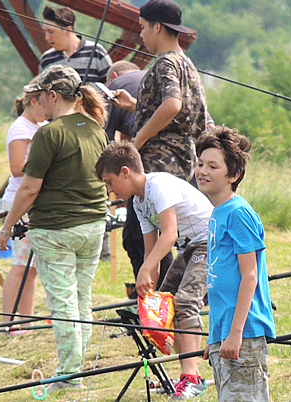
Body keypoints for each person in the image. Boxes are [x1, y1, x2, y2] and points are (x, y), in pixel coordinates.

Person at [0, 65, 108, 393]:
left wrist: (6, 227)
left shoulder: (48, 133)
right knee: (82, 297)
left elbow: (29, 188)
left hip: (56, 229)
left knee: (63, 302)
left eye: (40, 96)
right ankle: (77, 366)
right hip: (94, 225)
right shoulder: (95, 127)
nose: (37, 102)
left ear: (53, 96)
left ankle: (70, 375)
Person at [95, 141, 212, 399]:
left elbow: (169, 234)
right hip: (188, 249)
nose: (109, 190)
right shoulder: (138, 202)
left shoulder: (158, 185)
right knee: (165, 303)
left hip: (210, 243)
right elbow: (152, 252)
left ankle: (191, 377)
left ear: (125, 172)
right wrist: (150, 291)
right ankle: (190, 374)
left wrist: (144, 271)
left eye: (110, 182)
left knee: (184, 302)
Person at [196, 126, 276, 402]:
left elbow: (249, 276)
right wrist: (215, 338)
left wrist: (235, 334)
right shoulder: (218, 212)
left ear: (234, 175)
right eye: (200, 163)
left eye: (213, 166)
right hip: (226, 334)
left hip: (244, 334)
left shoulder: (239, 213)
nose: (202, 171)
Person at [112, 0, 207, 181]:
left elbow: (172, 105)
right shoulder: (186, 63)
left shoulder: (165, 63)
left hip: (159, 164)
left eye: (143, 27)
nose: (141, 34)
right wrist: (133, 104)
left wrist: (140, 138)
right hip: (182, 165)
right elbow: (180, 115)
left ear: (157, 27)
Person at [0, 78, 47, 330]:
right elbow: (17, 168)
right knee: (20, 265)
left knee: (31, 267)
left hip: (34, 202)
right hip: (20, 202)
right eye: (44, 103)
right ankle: (9, 322)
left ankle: (27, 321)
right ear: (34, 102)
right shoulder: (20, 128)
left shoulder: (40, 125)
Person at [38, 6, 112, 83]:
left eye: (51, 32)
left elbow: (111, 84)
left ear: (68, 29)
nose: (47, 37)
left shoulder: (96, 52)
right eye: (45, 32)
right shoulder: (46, 59)